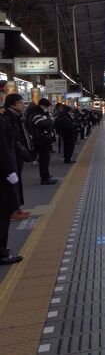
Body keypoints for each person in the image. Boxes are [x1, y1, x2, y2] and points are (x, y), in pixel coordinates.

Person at [0, 94, 33, 220]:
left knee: (17, 180)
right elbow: (10, 139)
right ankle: (13, 210)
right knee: (11, 182)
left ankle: (17, 208)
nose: (23, 105)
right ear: (13, 104)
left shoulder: (17, 117)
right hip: (11, 153)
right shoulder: (8, 117)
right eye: (20, 102)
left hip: (16, 153)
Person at [0, 99, 24, 264]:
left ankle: (2, 248)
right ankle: (1, 253)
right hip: (3, 175)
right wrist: (9, 171)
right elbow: (2, 149)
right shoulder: (2, 120)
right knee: (3, 213)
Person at [28, 98, 58, 185]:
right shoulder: (36, 113)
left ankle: (47, 176)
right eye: (47, 106)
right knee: (44, 160)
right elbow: (41, 124)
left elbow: (46, 123)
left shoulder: (42, 113)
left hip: (44, 139)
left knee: (46, 159)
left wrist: (48, 120)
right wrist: (49, 120)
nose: (48, 108)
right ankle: (44, 179)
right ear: (42, 106)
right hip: (40, 140)